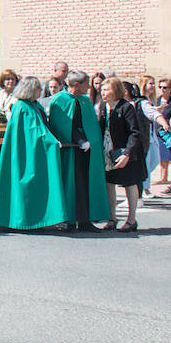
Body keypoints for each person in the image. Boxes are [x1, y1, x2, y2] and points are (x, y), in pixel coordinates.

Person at [0, 76, 71, 230]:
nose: (41, 91)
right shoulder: (22, 107)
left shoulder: (34, 105)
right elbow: (34, 131)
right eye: (38, 89)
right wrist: (52, 142)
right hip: (25, 154)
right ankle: (23, 221)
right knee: (26, 185)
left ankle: (35, 220)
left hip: (32, 151)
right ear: (31, 90)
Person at [47, 71, 110, 231]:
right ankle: (69, 220)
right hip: (70, 150)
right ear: (76, 84)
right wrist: (80, 140)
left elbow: (90, 124)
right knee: (70, 184)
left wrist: (91, 141)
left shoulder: (84, 100)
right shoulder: (59, 100)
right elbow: (61, 124)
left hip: (88, 152)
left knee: (85, 184)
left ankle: (85, 220)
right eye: (86, 83)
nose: (89, 87)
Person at [98, 78, 148, 233]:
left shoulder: (126, 107)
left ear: (116, 91)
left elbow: (135, 133)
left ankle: (131, 219)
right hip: (107, 151)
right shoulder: (102, 107)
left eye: (107, 90)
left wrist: (127, 153)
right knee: (109, 183)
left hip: (125, 152)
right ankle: (112, 218)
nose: (103, 93)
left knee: (129, 183)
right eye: (102, 90)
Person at [153, 77, 171, 191]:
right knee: (163, 154)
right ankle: (163, 177)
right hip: (158, 130)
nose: (162, 89)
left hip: (170, 130)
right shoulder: (157, 100)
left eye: (165, 87)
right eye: (160, 87)